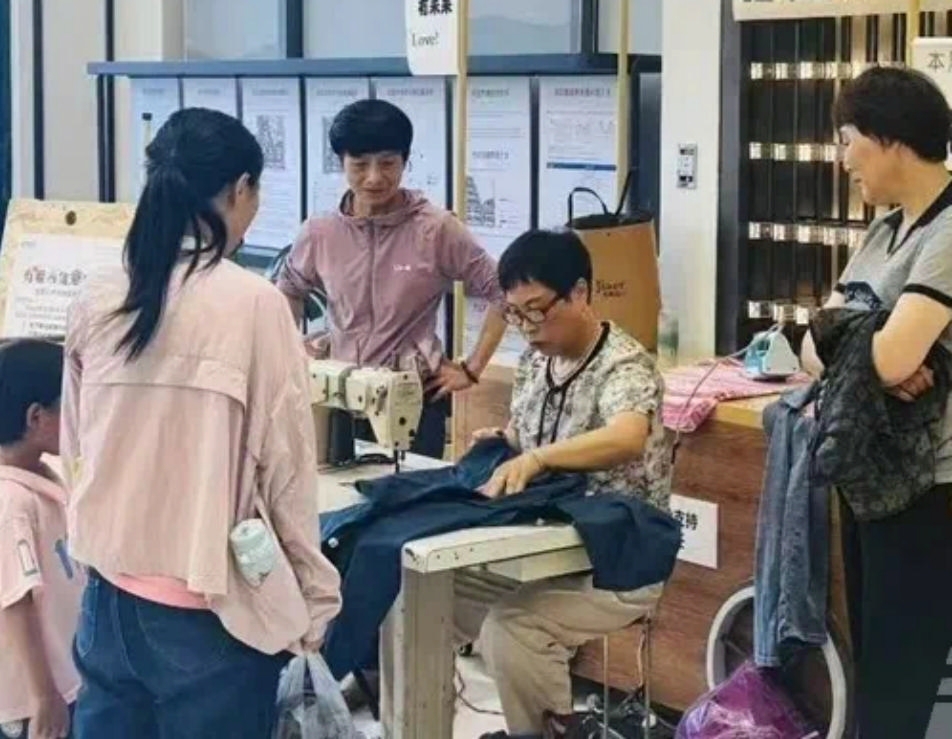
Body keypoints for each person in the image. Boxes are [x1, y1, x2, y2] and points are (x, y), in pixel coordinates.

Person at [62, 108, 342, 738]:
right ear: (241, 189)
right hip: (208, 611)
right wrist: (315, 602)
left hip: (106, 600)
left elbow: (76, 447)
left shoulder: (99, 294)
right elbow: (288, 472)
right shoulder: (255, 305)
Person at [454, 229, 672, 738]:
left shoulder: (625, 365)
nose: (527, 328)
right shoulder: (536, 362)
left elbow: (627, 436)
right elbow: (528, 431)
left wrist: (536, 458)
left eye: (536, 310)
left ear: (579, 292)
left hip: (619, 559)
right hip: (543, 548)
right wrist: (506, 442)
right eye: (514, 314)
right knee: (425, 596)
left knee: (512, 628)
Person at [800, 66, 952, 738]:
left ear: (889, 138)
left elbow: (889, 356)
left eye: (847, 139)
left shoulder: (948, 232)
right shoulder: (885, 230)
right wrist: (869, 346)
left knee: (900, 687)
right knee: (875, 669)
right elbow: (811, 346)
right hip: (871, 480)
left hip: (931, 488)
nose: (843, 159)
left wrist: (859, 345)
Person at [277, 98, 507, 459]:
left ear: (405, 160)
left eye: (387, 163)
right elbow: (287, 290)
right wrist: (293, 351)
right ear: (341, 162)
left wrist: (472, 368)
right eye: (359, 164)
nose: (374, 178)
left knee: (409, 488)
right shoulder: (319, 232)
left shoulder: (435, 229)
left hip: (414, 395)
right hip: (338, 395)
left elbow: (503, 290)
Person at [0, 339, 81, 739]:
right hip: (30, 702)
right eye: (71, 405)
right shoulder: (11, 501)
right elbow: (15, 603)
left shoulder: (40, 479)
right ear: (36, 417)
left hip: (61, 681)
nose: (81, 417)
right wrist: (44, 696)